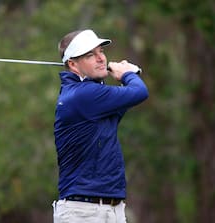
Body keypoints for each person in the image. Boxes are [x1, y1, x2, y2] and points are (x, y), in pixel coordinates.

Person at [53, 29, 149, 223]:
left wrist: (130, 76)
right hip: (83, 212)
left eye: (101, 52)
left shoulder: (92, 96)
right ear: (73, 64)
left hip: (110, 209)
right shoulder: (83, 95)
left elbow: (124, 103)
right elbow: (140, 93)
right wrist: (127, 75)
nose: (100, 59)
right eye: (90, 55)